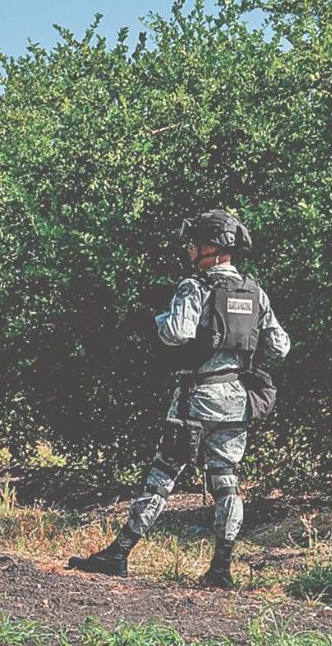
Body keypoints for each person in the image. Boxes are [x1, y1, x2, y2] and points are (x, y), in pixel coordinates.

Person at [67, 209, 289, 587]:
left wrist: (158, 318)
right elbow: (280, 347)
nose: (189, 249)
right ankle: (221, 569)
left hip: (196, 397)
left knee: (162, 475)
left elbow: (176, 333)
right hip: (237, 400)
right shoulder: (255, 292)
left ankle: (119, 553)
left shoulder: (194, 286)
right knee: (227, 481)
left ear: (213, 248)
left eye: (196, 243)